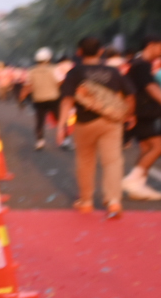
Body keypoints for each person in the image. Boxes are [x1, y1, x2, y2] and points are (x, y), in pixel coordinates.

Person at [58, 35, 136, 218]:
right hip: (111, 122)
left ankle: (86, 201)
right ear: (101, 51)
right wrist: (129, 114)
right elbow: (130, 94)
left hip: (85, 122)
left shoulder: (75, 72)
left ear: (79, 52)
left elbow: (67, 100)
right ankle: (114, 201)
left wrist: (62, 126)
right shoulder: (113, 71)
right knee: (112, 161)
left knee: (85, 161)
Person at [123, 36, 161, 201]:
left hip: (136, 112)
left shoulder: (137, 63)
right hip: (141, 113)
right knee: (160, 145)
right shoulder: (142, 65)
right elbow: (151, 87)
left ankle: (139, 184)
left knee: (146, 148)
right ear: (151, 45)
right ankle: (132, 180)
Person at [24, 48, 62, 149]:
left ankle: (40, 141)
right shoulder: (54, 69)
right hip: (53, 98)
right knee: (60, 119)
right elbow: (60, 82)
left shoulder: (31, 71)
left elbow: (28, 85)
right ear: (48, 58)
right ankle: (65, 140)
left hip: (38, 99)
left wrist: (22, 97)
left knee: (39, 121)